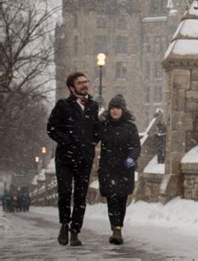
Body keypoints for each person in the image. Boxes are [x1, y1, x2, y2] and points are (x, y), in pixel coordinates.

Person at [47, 72, 99, 246]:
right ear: (72, 87)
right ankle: (64, 225)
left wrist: (95, 139)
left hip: (85, 158)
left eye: (86, 81)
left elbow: (96, 127)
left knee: (80, 195)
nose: (85, 85)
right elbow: (51, 128)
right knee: (64, 192)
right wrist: (67, 141)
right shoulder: (63, 105)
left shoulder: (93, 105)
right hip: (65, 158)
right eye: (80, 82)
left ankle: (75, 230)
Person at [98, 95, 140, 245]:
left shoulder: (130, 127)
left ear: (123, 110)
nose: (115, 111)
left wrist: (131, 158)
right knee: (111, 199)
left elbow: (135, 145)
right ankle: (115, 229)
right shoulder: (104, 126)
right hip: (108, 168)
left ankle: (118, 227)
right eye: (112, 108)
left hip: (124, 169)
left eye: (117, 108)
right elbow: (92, 137)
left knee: (121, 199)